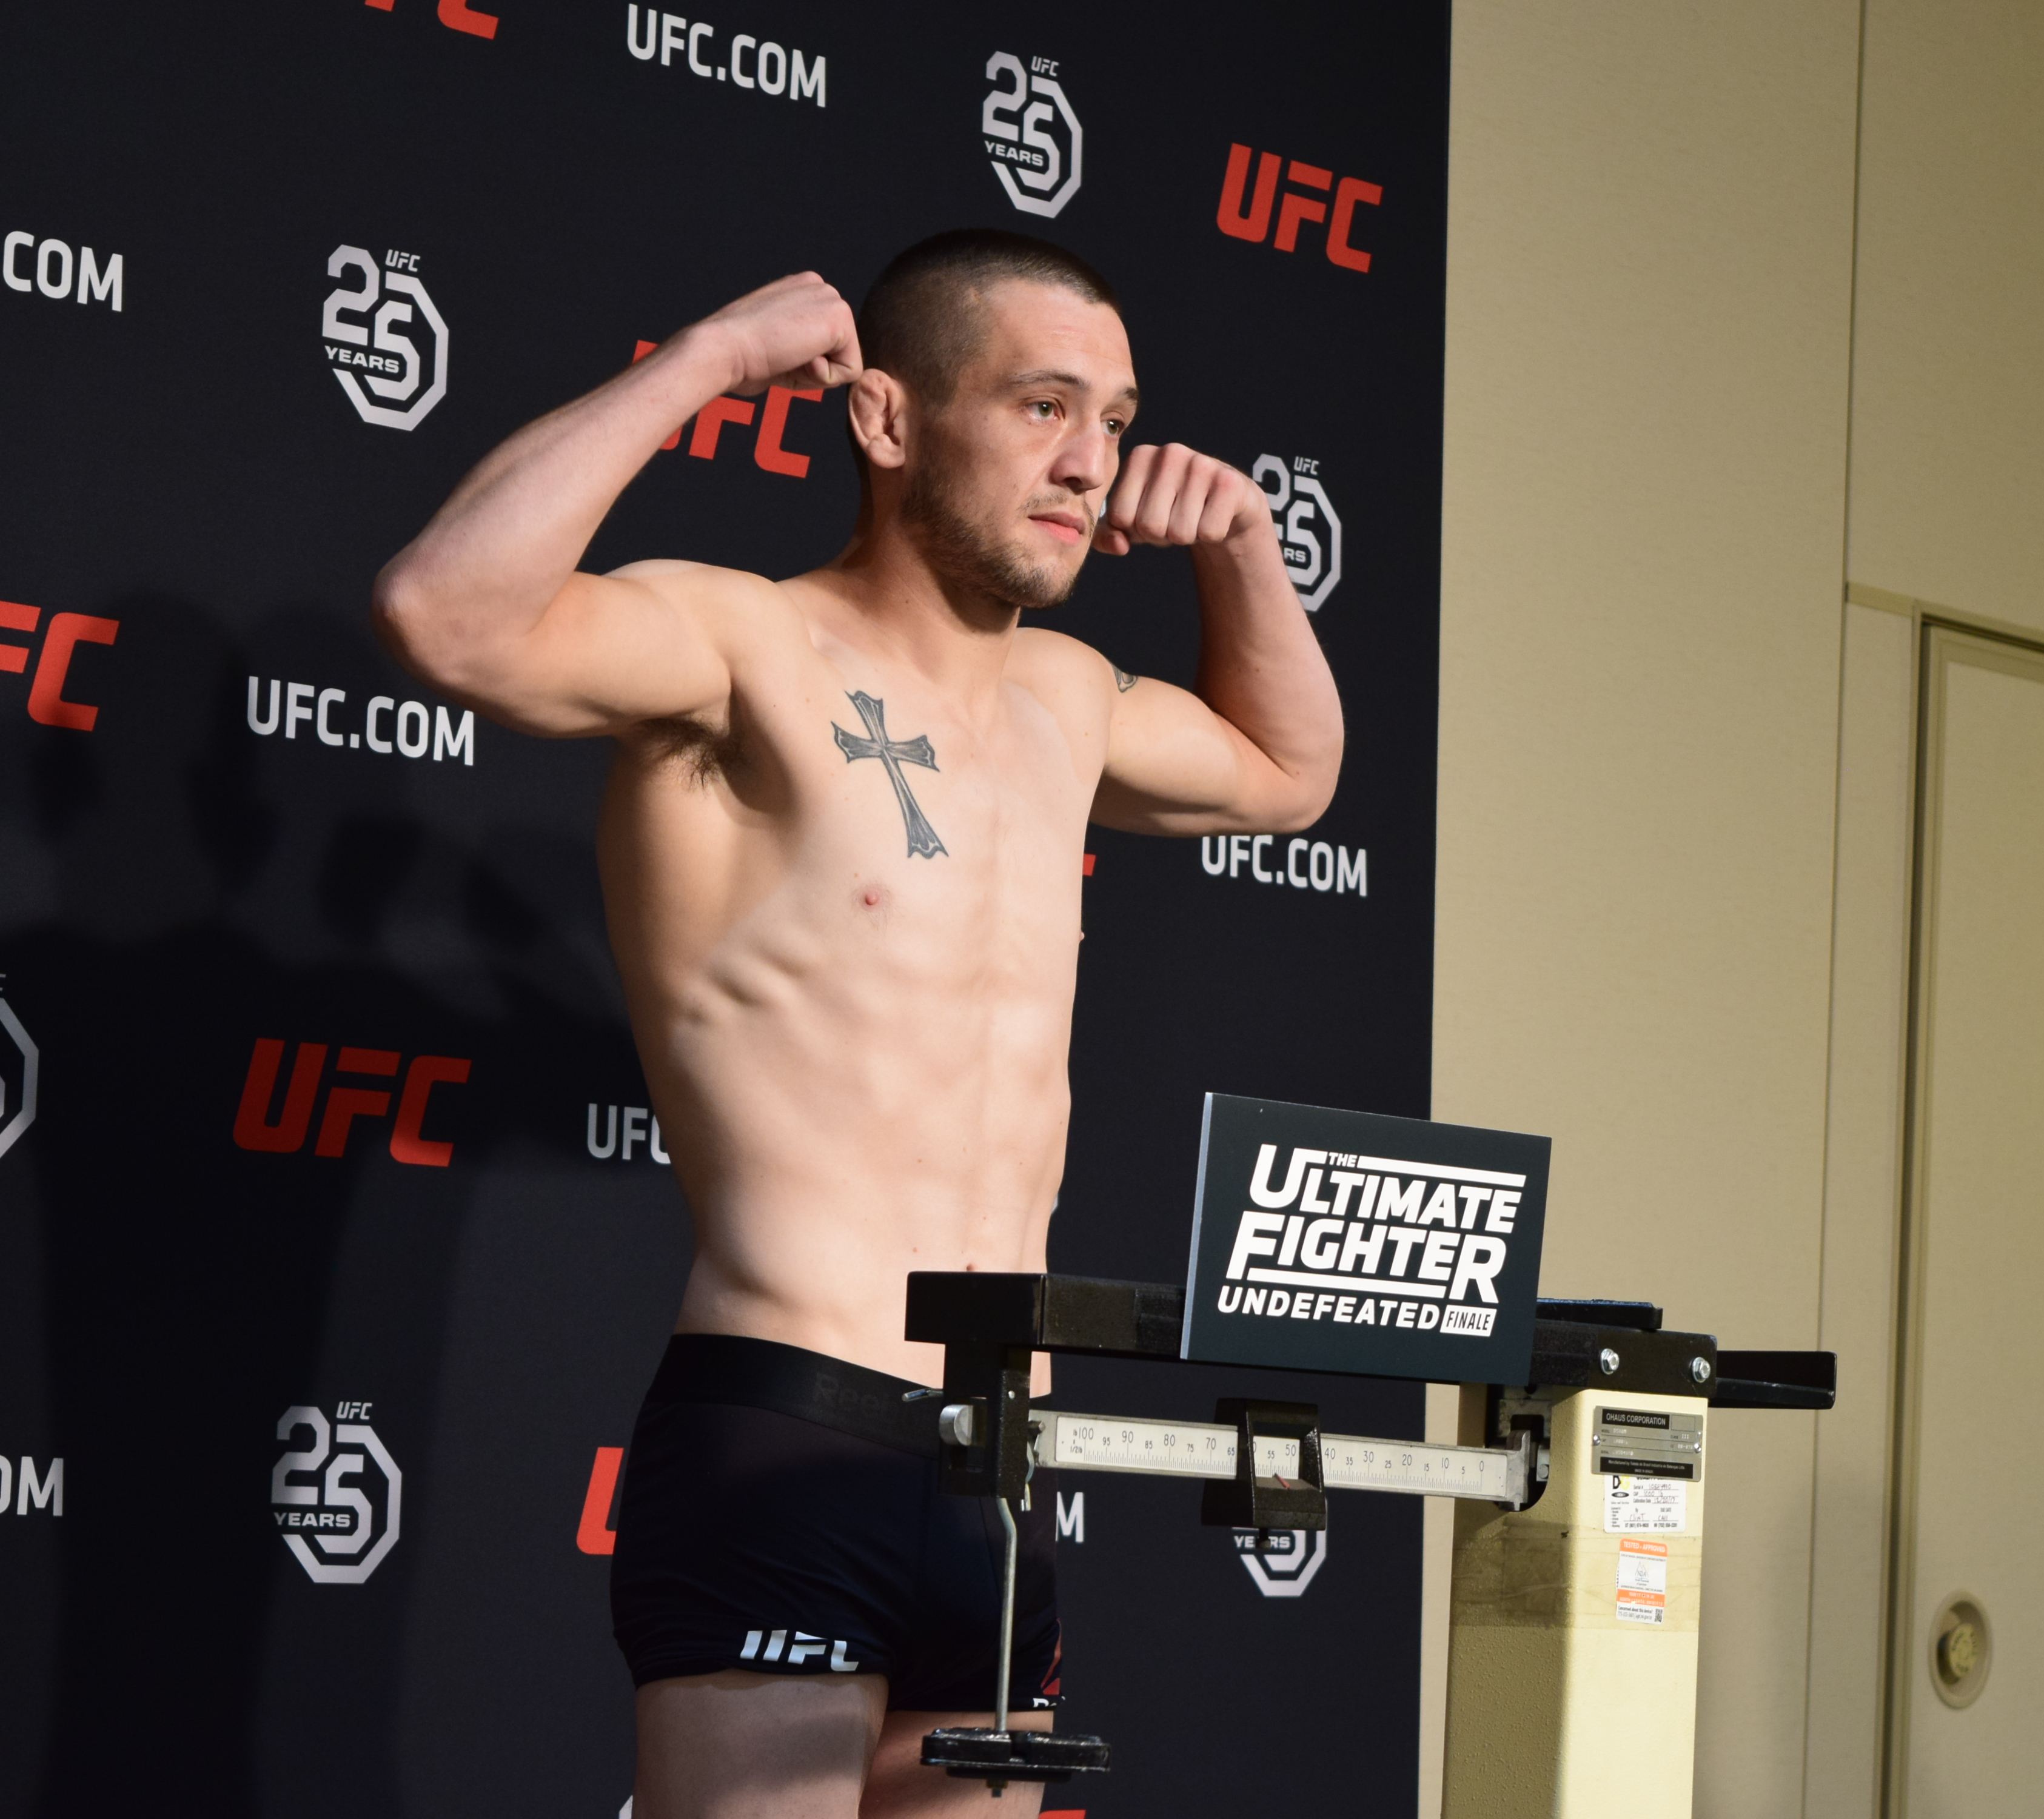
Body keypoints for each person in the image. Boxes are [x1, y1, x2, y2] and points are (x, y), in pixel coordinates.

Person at [372, 229, 1342, 1818]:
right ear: (887, 419)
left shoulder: (1067, 699)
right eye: (1042, 406)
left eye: (1114, 420)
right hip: (792, 1429)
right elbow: (445, 612)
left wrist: (1240, 542)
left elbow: (1291, 774)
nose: (1089, 462)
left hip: (1004, 1466)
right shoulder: (739, 646)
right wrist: (704, 364)